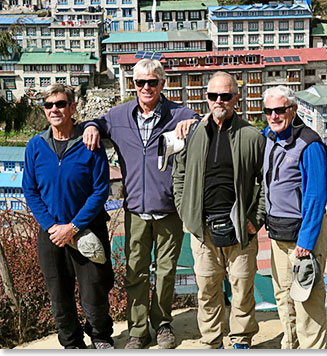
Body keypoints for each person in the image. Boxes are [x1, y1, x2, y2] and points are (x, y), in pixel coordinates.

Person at [82, 58, 200, 349]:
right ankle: (137, 329)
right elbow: (97, 123)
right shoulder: (119, 116)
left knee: (166, 270)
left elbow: (205, 124)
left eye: (152, 82)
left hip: (169, 208)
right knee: (135, 271)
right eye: (140, 82)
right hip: (134, 208)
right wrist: (93, 126)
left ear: (163, 83)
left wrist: (194, 121)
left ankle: (162, 324)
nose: (146, 87)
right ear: (132, 84)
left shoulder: (178, 114)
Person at [172, 72, 266, 349]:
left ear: (237, 98)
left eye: (226, 96)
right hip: (203, 229)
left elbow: (265, 182)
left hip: (240, 228)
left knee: (242, 288)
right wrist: (185, 212)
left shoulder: (251, 136)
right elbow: (179, 175)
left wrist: (256, 219)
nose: (219, 101)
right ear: (206, 97)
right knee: (207, 290)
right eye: (214, 96)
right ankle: (212, 342)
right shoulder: (191, 134)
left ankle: (241, 339)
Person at [22, 84, 114, 349]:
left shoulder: (89, 144)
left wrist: (73, 227)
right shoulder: (36, 146)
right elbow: (30, 189)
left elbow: (100, 191)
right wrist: (53, 226)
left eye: (61, 104)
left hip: (87, 229)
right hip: (51, 233)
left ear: (73, 108)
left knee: (94, 290)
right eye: (49, 105)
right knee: (59, 293)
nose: (55, 110)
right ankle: (72, 343)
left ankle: (100, 336)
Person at [262, 85, 327, 349]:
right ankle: (290, 346)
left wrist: (307, 241)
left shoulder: (309, 144)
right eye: (269, 111)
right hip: (278, 235)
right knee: (283, 296)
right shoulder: (268, 137)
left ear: (294, 110)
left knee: (307, 301)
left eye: (280, 110)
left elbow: (316, 196)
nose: (274, 116)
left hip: (303, 237)